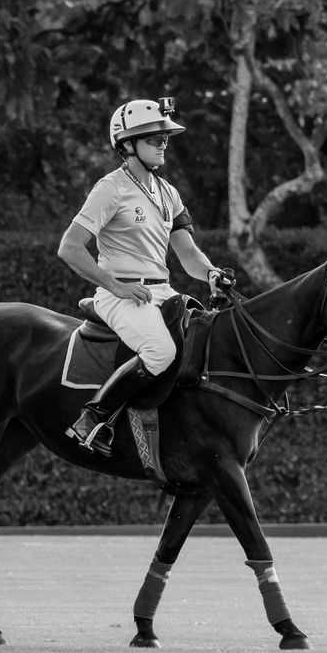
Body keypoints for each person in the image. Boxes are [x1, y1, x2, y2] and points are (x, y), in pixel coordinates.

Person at [57, 96, 235, 452]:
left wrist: (212, 273)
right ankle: (93, 419)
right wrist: (114, 286)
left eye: (165, 137)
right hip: (119, 295)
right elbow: (70, 247)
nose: (163, 143)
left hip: (161, 292)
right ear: (127, 144)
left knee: (204, 341)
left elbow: (187, 254)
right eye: (154, 138)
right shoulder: (110, 188)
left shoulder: (169, 192)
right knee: (160, 351)